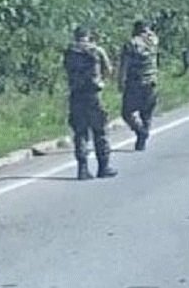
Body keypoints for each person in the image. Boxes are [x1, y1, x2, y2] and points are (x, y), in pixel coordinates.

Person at [63, 25, 117, 180]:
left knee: (80, 132)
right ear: (89, 35)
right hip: (93, 95)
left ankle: (82, 168)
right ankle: (103, 167)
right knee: (100, 131)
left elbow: (67, 70)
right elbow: (109, 70)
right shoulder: (96, 50)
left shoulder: (70, 52)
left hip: (76, 95)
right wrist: (101, 81)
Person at [118, 20, 159, 151]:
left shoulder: (131, 44)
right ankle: (142, 139)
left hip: (135, 82)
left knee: (126, 113)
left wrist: (120, 81)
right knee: (146, 113)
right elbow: (151, 34)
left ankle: (141, 132)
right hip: (151, 82)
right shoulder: (153, 41)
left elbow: (124, 65)